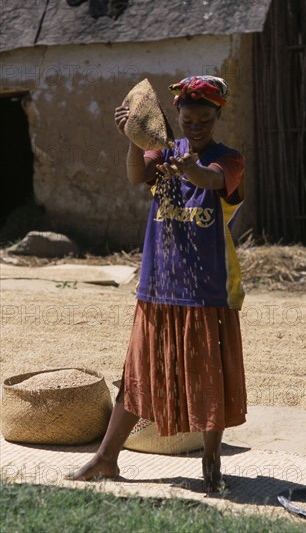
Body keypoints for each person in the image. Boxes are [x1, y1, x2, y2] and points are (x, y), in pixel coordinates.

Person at [68, 75, 247, 493]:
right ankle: (106, 458)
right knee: (138, 375)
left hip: (206, 290)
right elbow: (136, 176)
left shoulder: (230, 159)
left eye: (204, 119)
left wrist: (193, 169)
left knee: (209, 377)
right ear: (179, 117)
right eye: (188, 119)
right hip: (158, 285)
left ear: (217, 117)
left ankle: (211, 456)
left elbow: (211, 180)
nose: (196, 126)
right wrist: (134, 137)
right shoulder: (164, 149)